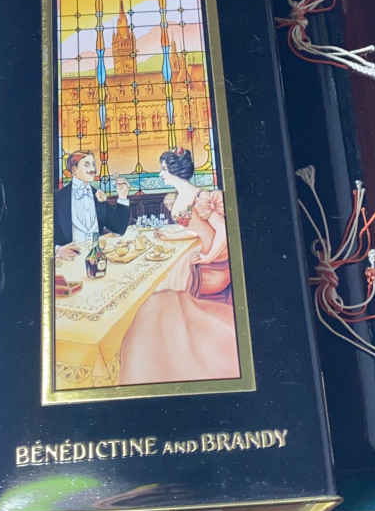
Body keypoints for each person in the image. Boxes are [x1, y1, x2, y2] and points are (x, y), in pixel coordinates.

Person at [119, 147, 240, 384]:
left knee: (158, 284)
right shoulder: (181, 195)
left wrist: (208, 257)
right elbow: (195, 230)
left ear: (174, 172)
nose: (161, 174)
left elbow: (223, 231)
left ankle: (161, 341)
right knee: (158, 273)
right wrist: (171, 236)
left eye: (163, 169)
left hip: (212, 265)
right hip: (200, 251)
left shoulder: (199, 197)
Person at [54, 151, 130, 258]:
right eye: (87, 165)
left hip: (97, 258)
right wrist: (57, 250)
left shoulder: (98, 195)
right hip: (69, 260)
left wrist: (122, 196)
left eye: (93, 164)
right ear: (74, 170)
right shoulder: (58, 198)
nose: (93, 169)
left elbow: (119, 228)